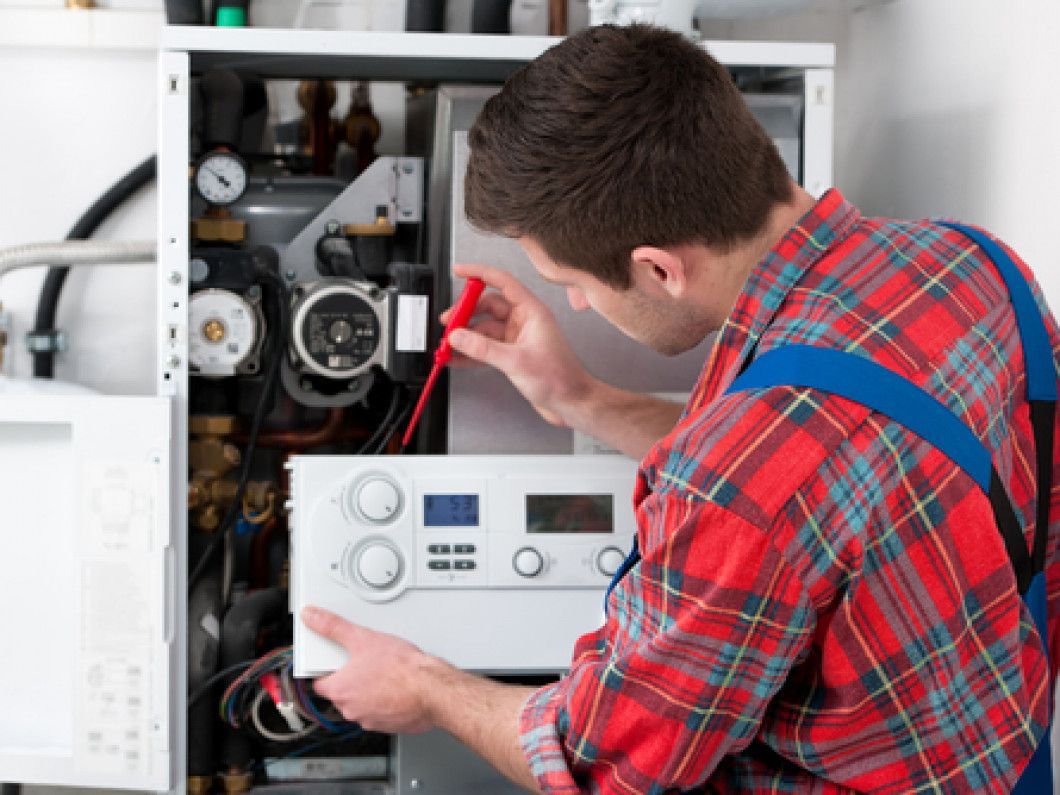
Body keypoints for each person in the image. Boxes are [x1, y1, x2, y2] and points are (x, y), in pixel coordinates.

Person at [301, 24, 1060, 793]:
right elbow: (821, 491)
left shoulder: (738, 482)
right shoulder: (972, 263)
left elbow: (601, 763)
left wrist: (426, 686)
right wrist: (579, 397)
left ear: (658, 269)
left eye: (575, 282)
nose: (576, 303)